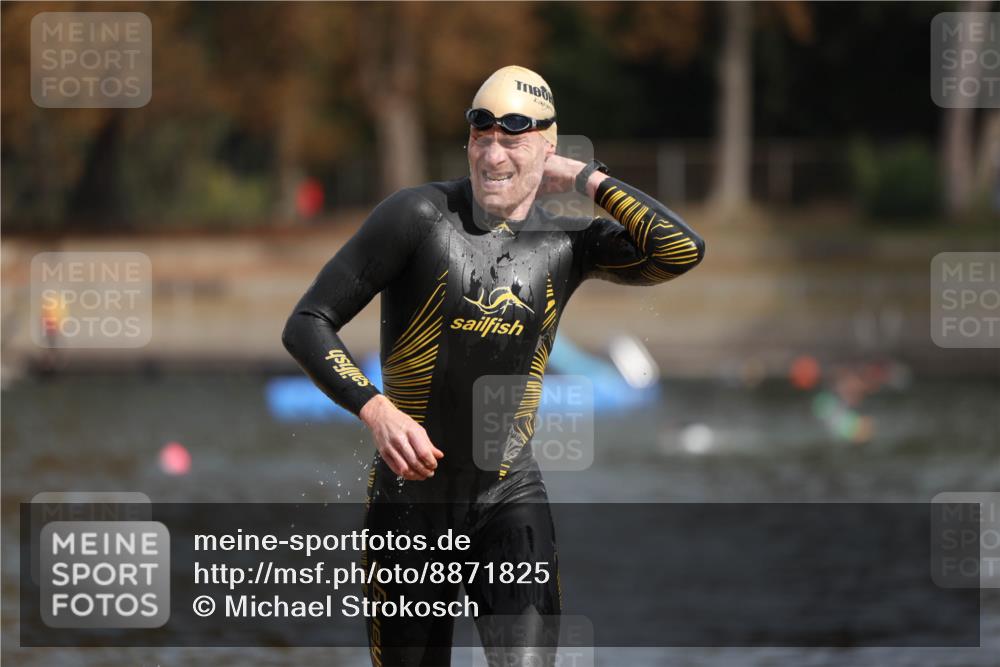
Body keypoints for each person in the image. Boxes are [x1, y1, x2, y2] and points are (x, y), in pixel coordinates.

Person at [282, 65, 705, 666]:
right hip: (410, 506)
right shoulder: (418, 216)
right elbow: (307, 322)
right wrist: (375, 410)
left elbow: (681, 249)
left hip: (509, 500)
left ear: (548, 147)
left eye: (514, 139)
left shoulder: (566, 243)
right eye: (481, 136)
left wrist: (585, 180)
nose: (493, 155)